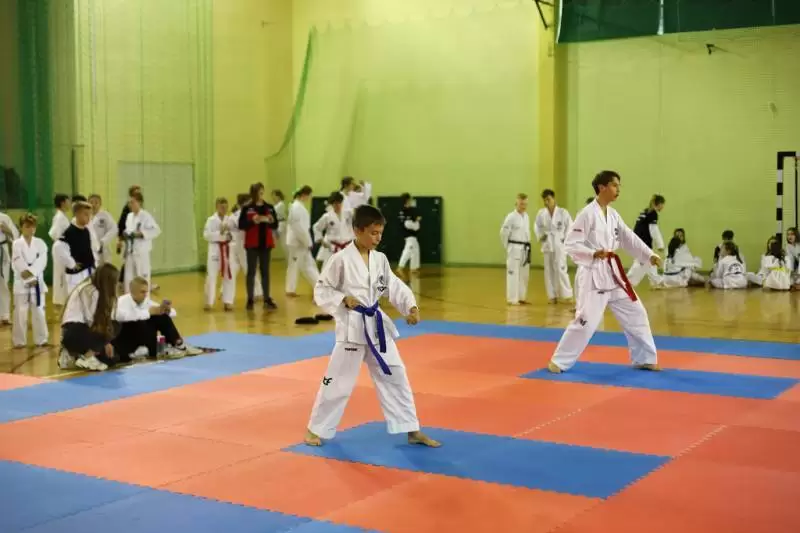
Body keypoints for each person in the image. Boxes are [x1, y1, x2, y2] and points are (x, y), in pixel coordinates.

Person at [304, 204, 440, 449]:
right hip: (351, 328)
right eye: (373, 233)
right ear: (358, 231)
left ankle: (411, 428)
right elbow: (321, 289)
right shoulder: (340, 260)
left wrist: (410, 306)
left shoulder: (380, 259)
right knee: (338, 380)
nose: (378, 238)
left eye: (380, 233)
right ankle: (315, 429)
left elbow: (393, 286)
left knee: (396, 374)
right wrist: (342, 299)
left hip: (376, 328)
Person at [548, 170, 661, 374]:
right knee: (586, 322)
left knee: (636, 313)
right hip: (593, 274)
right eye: (615, 185)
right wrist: (592, 253)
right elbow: (570, 244)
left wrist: (649, 255)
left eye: (619, 186)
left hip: (613, 273)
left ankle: (644, 358)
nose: (618, 189)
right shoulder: (587, 214)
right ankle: (559, 361)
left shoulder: (613, 215)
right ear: (602, 187)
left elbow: (628, 238)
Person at [114, 276, 200, 360]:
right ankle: (141, 350)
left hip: (144, 336)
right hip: (127, 338)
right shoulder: (121, 301)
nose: (145, 295)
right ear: (133, 292)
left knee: (161, 316)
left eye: (146, 292)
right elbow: (121, 317)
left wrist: (166, 310)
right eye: (142, 292)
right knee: (139, 321)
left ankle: (179, 344)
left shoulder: (145, 301)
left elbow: (171, 313)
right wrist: (148, 312)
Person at [59, 264, 120, 371]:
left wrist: (105, 341)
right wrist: (105, 341)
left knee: (112, 359)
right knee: (115, 325)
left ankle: (80, 357)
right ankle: (85, 356)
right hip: (74, 332)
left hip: (87, 333)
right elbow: (92, 321)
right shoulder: (90, 291)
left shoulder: (98, 291)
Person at [238, 183, 279, 310]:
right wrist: (252, 221)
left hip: (266, 244)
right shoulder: (247, 208)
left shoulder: (270, 207)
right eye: (257, 192)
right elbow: (241, 225)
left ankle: (267, 298)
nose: (260, 195)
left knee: (265, 271)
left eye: (261, 192)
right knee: (251, 271)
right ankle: (250, 299)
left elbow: (275, 225)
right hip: (252, 244)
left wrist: (271, 221)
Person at [11, 214, 48, 347]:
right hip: (21, 282)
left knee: (39, 311)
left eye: (33, 226)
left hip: (37, 282)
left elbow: (42, 262)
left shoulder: (40, 243)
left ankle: (41, 339)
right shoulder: (16, 243)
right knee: (20, 313)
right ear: (21, 227)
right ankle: (19, 341)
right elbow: (18, 263)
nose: (31, 229)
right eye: (27, 226)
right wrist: (29, 279)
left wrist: (32, 276)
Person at [534, 189, 573, 303]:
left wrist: (565, 239)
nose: (546, 202)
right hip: (547, 242)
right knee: (549, 270)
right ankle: (552, 296)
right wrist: (540, 235)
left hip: (559, 242)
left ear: (554, 199)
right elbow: (537, 226)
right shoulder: (541, 213)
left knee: (561, 268)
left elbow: (570, 226)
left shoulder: (563, 212)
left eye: (548, 199)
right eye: (545, 200)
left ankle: (567, 295)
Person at [53, 201, 99, 296]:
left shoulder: (86, 231)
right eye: (86, 214)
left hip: (88, 271)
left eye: (90, 215)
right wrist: (72, 263)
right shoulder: (69, 232)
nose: (89, 217)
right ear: (77, 214)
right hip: (76, 275)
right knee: (75, 300)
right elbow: (57, 248)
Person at [122, 191, 161, 295]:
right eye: (129, 202)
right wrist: (126, 234)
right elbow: (129, 231)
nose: (130, 205)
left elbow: (156, 230)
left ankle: (144, 301)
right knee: (128, 278)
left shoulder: (145, 216)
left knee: (142, 278)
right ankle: (129, 299)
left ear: (139, 202)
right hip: (130, 252)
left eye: (133, 202)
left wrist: (141, 234)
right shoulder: (129, 216)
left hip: (141, 253)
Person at [285, 186, 320, 297]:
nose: (309, 198)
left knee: (307, 265)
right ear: (304, 195)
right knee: (298, 265)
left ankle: (319, 286)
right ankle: (290, 289)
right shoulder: (296, 207)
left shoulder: (298, 206)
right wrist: (307, 242)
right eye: (309, 195)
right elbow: (298, 228)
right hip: (298, 242)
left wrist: (307, 241)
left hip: (300, 241)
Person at [203, 197, 235, 311]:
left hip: (227, 249)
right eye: (222, 207)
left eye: (226, 207)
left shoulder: (230, 220)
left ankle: (228, 301)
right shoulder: (211, 220)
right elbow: (206, 235)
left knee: (228, 275)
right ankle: (209, 302)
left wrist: (228, 236)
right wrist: (220, 233)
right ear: (216, 207)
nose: (224, 209)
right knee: (211, 275)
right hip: (215, 249)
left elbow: (234, 234)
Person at [627, 195, 665, 287]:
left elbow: (637, 227)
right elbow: (654, 230)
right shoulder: (652, 213)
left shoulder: (645, 211)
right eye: (663, 205)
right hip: (643, 242)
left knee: (650, 261)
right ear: (659, 204)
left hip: (637, 240)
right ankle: (627, 282)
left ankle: (656, 282)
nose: (663, 207)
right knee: (640, 263)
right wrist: (660, 245)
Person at [500, 193, 531, 305]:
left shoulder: (526, 216)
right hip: (514, 247)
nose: (523, 206)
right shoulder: (511, 217)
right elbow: (503, 232)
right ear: (516, 203)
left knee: (524, 274)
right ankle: (512, 299)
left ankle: (521, 297)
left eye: (525, 204)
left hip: (525, 248)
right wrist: (508, 246)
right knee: (513, 273)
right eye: (521, 204)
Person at [231, 193, 263, 301]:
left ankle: (224, 290)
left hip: (237, 244)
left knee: (234, 268)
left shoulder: (235, 215)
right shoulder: (241, 215)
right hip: (242, 244)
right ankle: (257, 292)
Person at [312, 191, 354, 270]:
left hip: (346, 247)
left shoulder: (348, 214)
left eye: (339, 203)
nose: (338, 205)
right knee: (330, 270)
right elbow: (316, 227)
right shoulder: (327, 216)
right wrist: (321, 240)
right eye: (335, 203)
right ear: (332, 204)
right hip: (332, 248)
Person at [48, 193, 72, 306]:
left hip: (63, 247)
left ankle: (63, 299)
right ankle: (60, 300)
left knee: (63, 274)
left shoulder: (62, 216)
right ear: (63, 203)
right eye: (68, 201)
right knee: (61, 274)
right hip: (60, 247)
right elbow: (54, 234)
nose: (70, 204)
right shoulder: (59, 217)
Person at [0, 205, 20, 326]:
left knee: (3, 283)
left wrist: (6, 230)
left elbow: (16, 235)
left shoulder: (4, 218)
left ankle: (5, 315)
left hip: (2, 250)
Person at [397, 193, 422, 278]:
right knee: (408, 250)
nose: (411, 201)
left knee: (415, 250)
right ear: (407, 200)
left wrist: (416, 219)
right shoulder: (403, 211)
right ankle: (400, 267)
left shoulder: (410, 210)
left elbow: (415, 218)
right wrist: (415, 221)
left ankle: (413, 268)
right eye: (409, 200)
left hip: (413, 235)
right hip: (408, 235)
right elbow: (406, 223)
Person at [88, 194, 117, 266]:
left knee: (105, 269)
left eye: (96, 202)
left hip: (103, 248)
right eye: (91, 202)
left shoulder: (105, 215)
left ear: (100, 204)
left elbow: (114, 229)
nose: (93, 205)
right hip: (90, 248)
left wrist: (103, 241)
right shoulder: (86, 215)